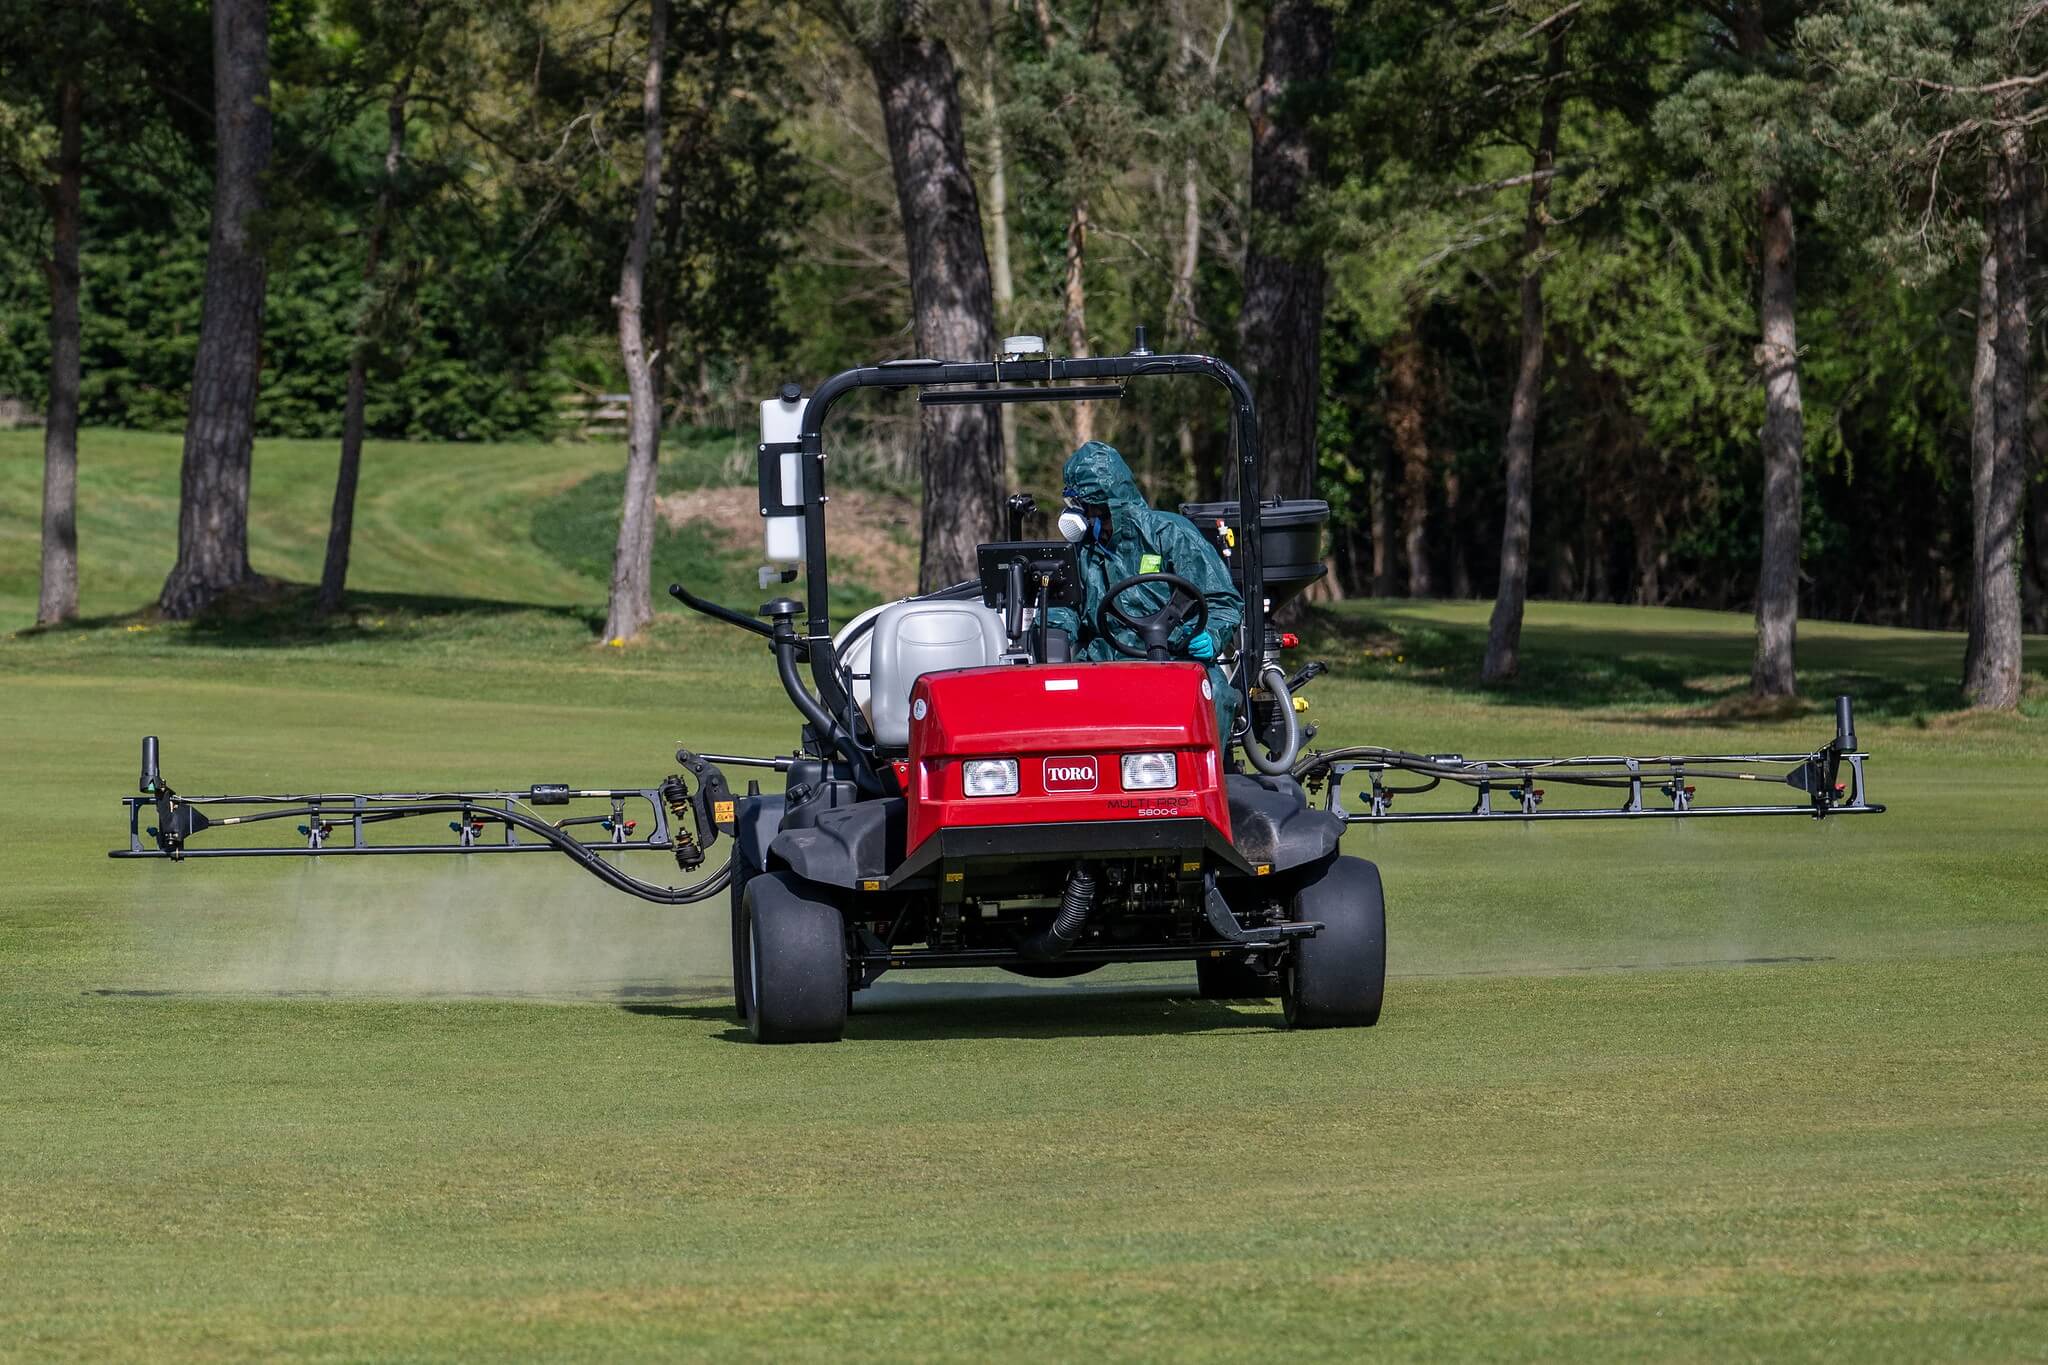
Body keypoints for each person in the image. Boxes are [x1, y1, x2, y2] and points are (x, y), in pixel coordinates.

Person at [1044, 441, 1244, 744]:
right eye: (1078, 507)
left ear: (1105, 503)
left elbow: (1223, 601)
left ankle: (1205, 782)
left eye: (1086, 507)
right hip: (1102, 664)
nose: (1080, 515)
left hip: (1175, 658)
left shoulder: (1169, 533)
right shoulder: (1081, 552)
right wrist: (1054, 635)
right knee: (1056, 702)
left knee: (1213, 693)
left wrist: (1212, 635)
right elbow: (1065, 608)